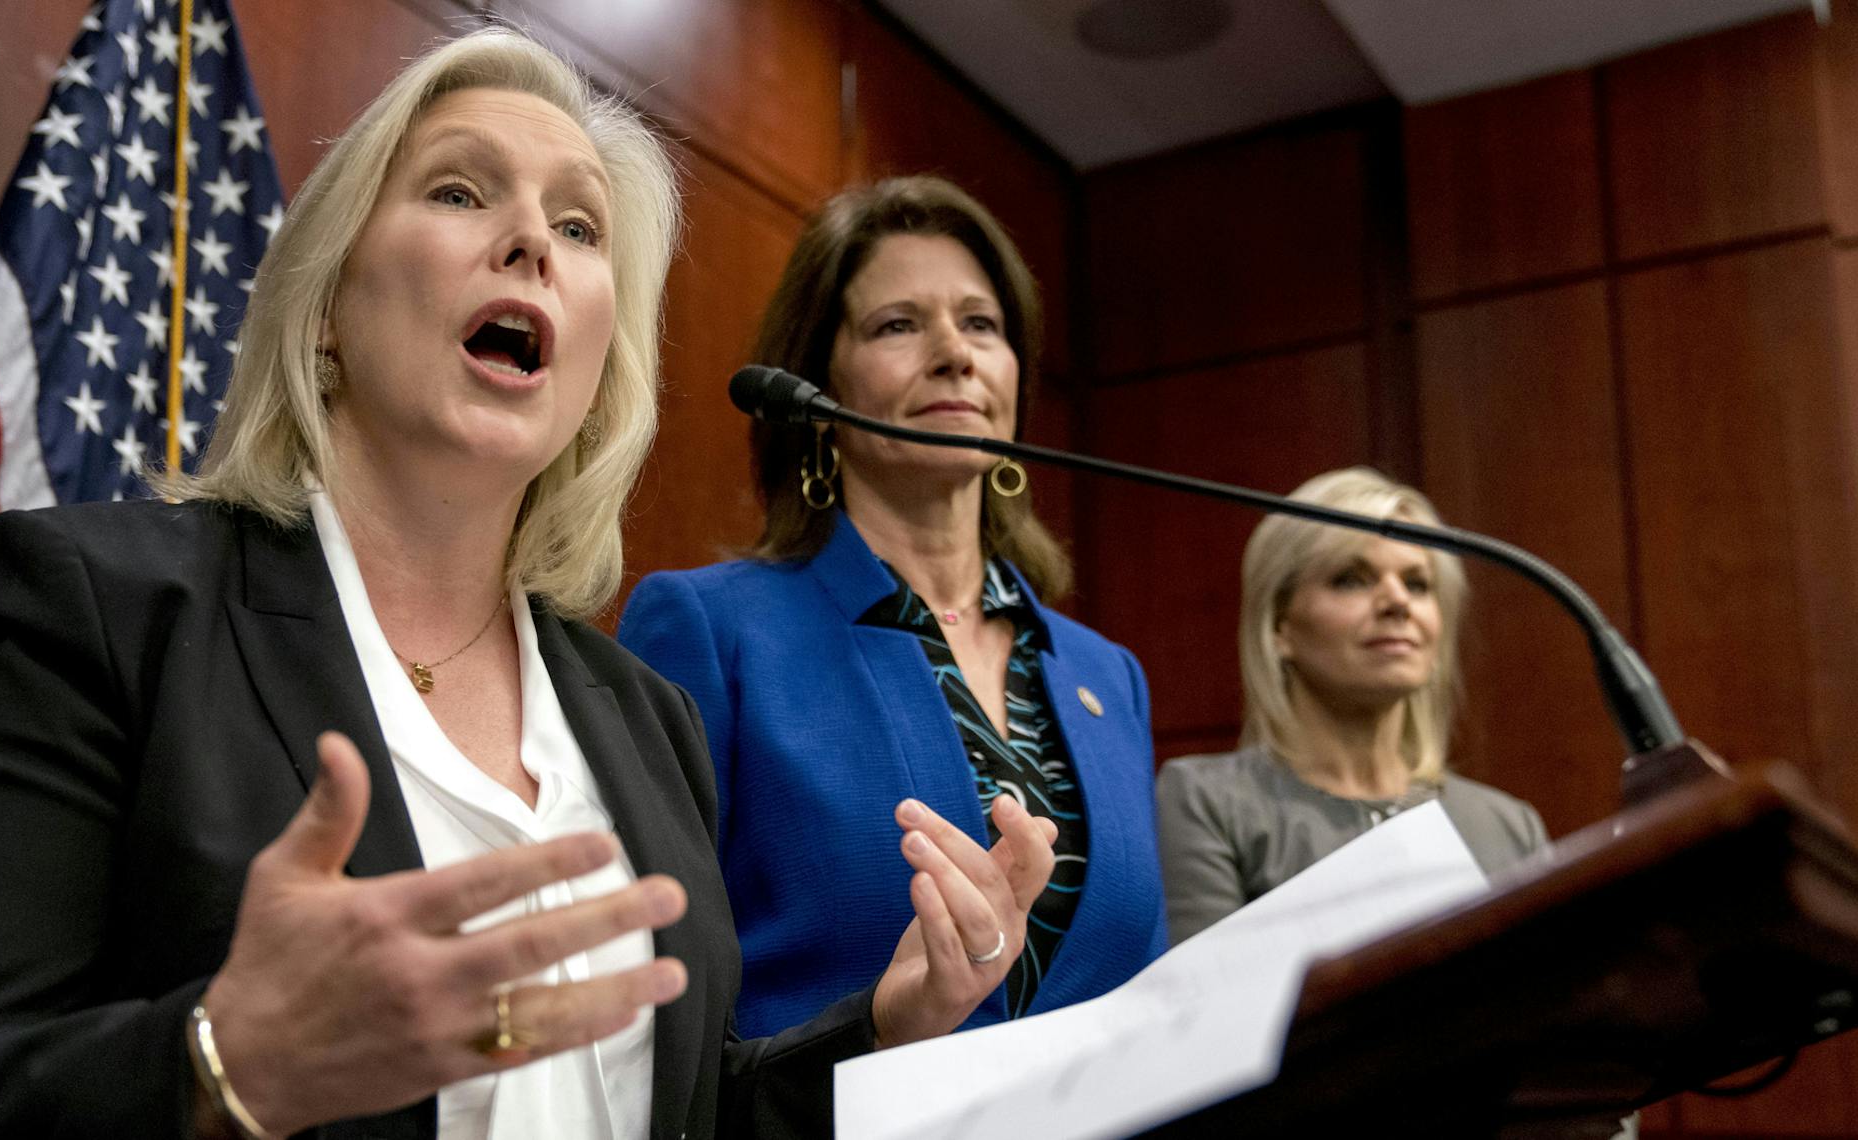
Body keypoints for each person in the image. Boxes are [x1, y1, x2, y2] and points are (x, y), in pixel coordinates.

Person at [0, 31, 1057, 1140]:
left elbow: (658, 1103)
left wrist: (885, 1030)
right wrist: (223, 1064)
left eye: (579, 230)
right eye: (461, 191)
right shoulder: (93, 607)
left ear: (593, 368)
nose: (532, 238)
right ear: (325, 310)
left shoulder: (643, 718)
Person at [618, 176, 1165, 1039]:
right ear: (815, 396)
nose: (955, 354)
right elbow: (655, 1002)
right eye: (898, 325)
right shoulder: (709, 632)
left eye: (981, 325)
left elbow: (1150, 990)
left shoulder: (1111, 676)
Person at [1156, 467, 1549, 945]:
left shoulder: (1509, 827)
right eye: (1351, 580)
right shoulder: (1206, 801)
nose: (1397, 601)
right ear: (1279, 627)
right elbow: (1208, 1005)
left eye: (1418, 584)